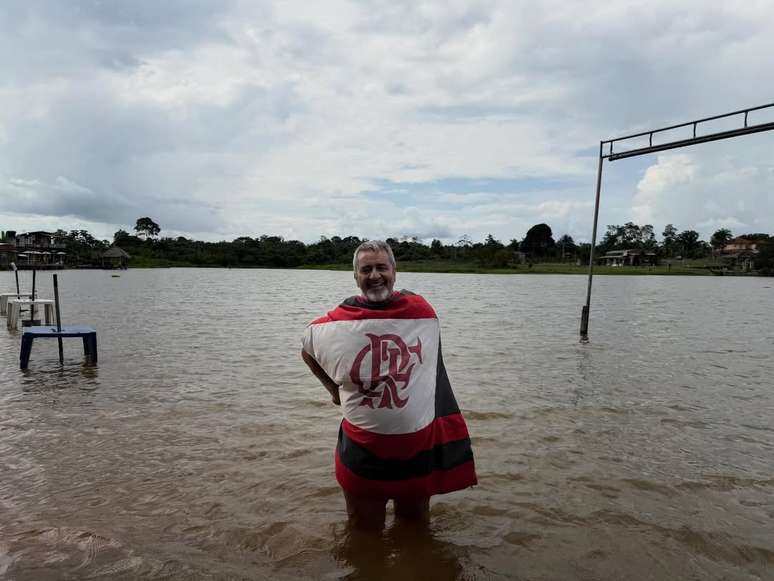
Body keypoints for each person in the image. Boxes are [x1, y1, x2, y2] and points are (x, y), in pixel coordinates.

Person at [301, 240, 477, 530]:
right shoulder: (333, 323)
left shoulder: (421, 311)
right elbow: (307, 350)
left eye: (381, 267)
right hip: (362, 450)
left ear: (394, 271)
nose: (374, 276)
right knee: (362, 529)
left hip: (418, 450)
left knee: (415, 524)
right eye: (365, 269)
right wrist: (333, 391)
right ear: (355, 276)